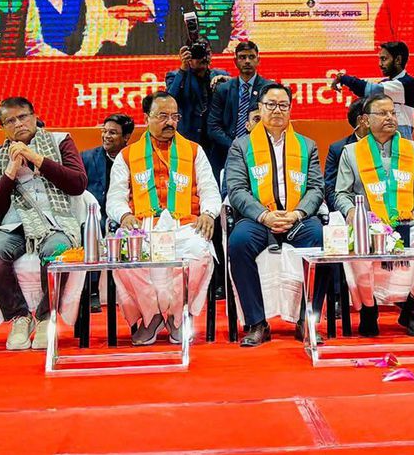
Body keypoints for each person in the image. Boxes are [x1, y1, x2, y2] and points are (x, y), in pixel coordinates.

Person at [106, 92, 221, 345]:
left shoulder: (194, 151)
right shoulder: (127, 155)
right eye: (162, 116)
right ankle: (152, 316)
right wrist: (124, 215)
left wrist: (208, 213)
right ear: (146, 118)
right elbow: (114, 196)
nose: (170, 122)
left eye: (174, 116)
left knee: (199, 253)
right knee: (125, 256)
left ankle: (177, 317)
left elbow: (210, 190)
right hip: (143, 226)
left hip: (185, 225)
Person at [334, 94, 414, 337]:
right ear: (365, 120)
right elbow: (342, 194)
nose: (390, 117)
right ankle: (369, 309)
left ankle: (412, 308)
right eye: (382, 113)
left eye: (392, 113)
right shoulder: (351, 153)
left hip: (410, 219)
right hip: (370, 223)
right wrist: (351, 211)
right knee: (357, 246)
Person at [0, 97, 88, 351]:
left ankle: (44, 317)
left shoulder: (61, 141)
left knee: (57, 251)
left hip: (56, 222)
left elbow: (78, 183)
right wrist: (10, 172)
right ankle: (20, 317)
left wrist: (37, 159)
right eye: (10, 121)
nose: (18, 124)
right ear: (2, 128)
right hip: (14, 225)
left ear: (35, 117)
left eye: (23, 117)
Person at [225, 84, 330, 346]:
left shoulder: (306, 145)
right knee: (238, 243)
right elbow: (236, 189)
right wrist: (264, 216)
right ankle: (257, 323)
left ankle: (307, 320)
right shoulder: (241, 146)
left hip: (297, 219)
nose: (277, 110)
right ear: (260, 108)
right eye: (270, 104)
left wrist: (297, 213)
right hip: (258, 219)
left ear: (290, 109)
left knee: (322, 242)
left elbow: (316, 188)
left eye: (283, 105)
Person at [207, 41, 272, 177]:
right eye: (242, 57)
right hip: (226, 153)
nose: (247, 61)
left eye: (251, 57)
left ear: (258, 60)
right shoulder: (223, 89)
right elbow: (213, 126)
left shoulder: (269, 89)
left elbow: (273, 124)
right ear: (235, 61)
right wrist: (235, 146)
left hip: (260, 154)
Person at [334, 41, 414, 138]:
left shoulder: (406, 83)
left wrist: (343, 78)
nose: (380, 64)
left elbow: (369, 90)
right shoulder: (387, 82)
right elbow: (366, 94)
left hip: (400, 139)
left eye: (384, 59)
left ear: (398, 60)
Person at [167, 42, 231, 169]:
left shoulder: (221, 76)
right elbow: (170, 100)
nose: (204, 58)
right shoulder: (176, 76)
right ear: (188, 56)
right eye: (198, 54)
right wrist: (183, 69)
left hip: (215, 143)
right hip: (188, 140)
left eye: (207, 53)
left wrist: (230, 83)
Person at [83, 114, 135, 217]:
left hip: (125, 217)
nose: (106, 136)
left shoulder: (134, 159)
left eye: (112, 133)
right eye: (104, 131)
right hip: (95, 218)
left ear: (126, 137)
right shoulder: (86, 158)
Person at [324, 99, 369, 215]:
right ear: (362, 120)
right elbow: (330, 191)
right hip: (352, 211)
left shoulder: (390, 145)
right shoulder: (338, 149)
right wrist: (347, 211)